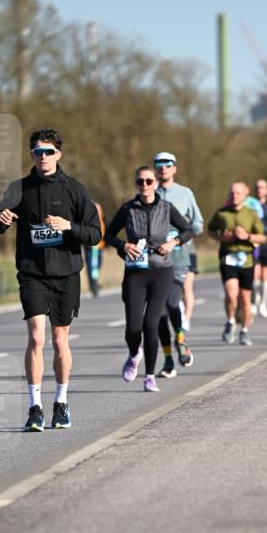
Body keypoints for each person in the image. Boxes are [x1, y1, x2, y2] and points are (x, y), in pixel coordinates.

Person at [0, 128, 102, 432]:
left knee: (59, 340)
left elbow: (95, 234)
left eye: (49, 152)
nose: (43, 157)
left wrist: (68, 226)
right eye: (38, 152)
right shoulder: (19, 188)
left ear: (58, 155)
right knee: (37, 337)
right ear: (31, 156)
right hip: (32, 274)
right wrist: (0, 219)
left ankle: (61, 403)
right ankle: (35, 407)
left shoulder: (74, 190)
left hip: (66, 274)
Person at [104, 165, 193, 392]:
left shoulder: (166, 207)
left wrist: (173, 243)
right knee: (134, 328)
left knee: (150, 324)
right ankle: (135, 354)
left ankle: (150, 376)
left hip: (162, 271)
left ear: (155, 183)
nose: (145, 185)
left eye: (149, 181)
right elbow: (108, 234)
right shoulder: (128, 209)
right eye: (140, 181)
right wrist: (124, 245)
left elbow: (188, 230)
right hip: (135, 273)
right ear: (135, 184)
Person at [152, 151, 204, 378]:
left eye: (167, 164)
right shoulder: (149, 192)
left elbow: (198, 223)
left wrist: (179, 237)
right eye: (159, 164)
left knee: (173, 302)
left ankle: (181, 341)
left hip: (180, 258)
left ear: (174, 168)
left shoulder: (185, 193)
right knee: (160, 312)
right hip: (155, 260)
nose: (163, 168)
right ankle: (168, 360)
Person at [208, 181, 266, 346]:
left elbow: (262, 237)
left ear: (244, 195)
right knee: (231, 294)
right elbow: (210, 230)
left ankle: (245, 331)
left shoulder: (251, 213)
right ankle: (231, 321)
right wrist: (222, 238)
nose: (235, 196)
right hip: (228, 257)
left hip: (247, 259)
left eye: (238, 193)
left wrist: (247, 236)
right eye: (232, 193)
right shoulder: (222, 213)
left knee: (246, 299)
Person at [251, 179, 267, 318]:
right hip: (255, 243)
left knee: (265, 275)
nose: (260, 190)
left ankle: (263, 304)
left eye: (262, 187)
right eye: (257, 187)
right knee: (255, 274)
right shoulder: (250, 206)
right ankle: (255, 301)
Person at [84, 201, 106, 295]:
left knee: (98, 265)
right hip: (92, 247)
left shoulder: (103, 219)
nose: (98, 211)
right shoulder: (88, 220)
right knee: (92, 266)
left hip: (100, 247)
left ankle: (95, 282)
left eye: (99, 209)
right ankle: (93, 284)